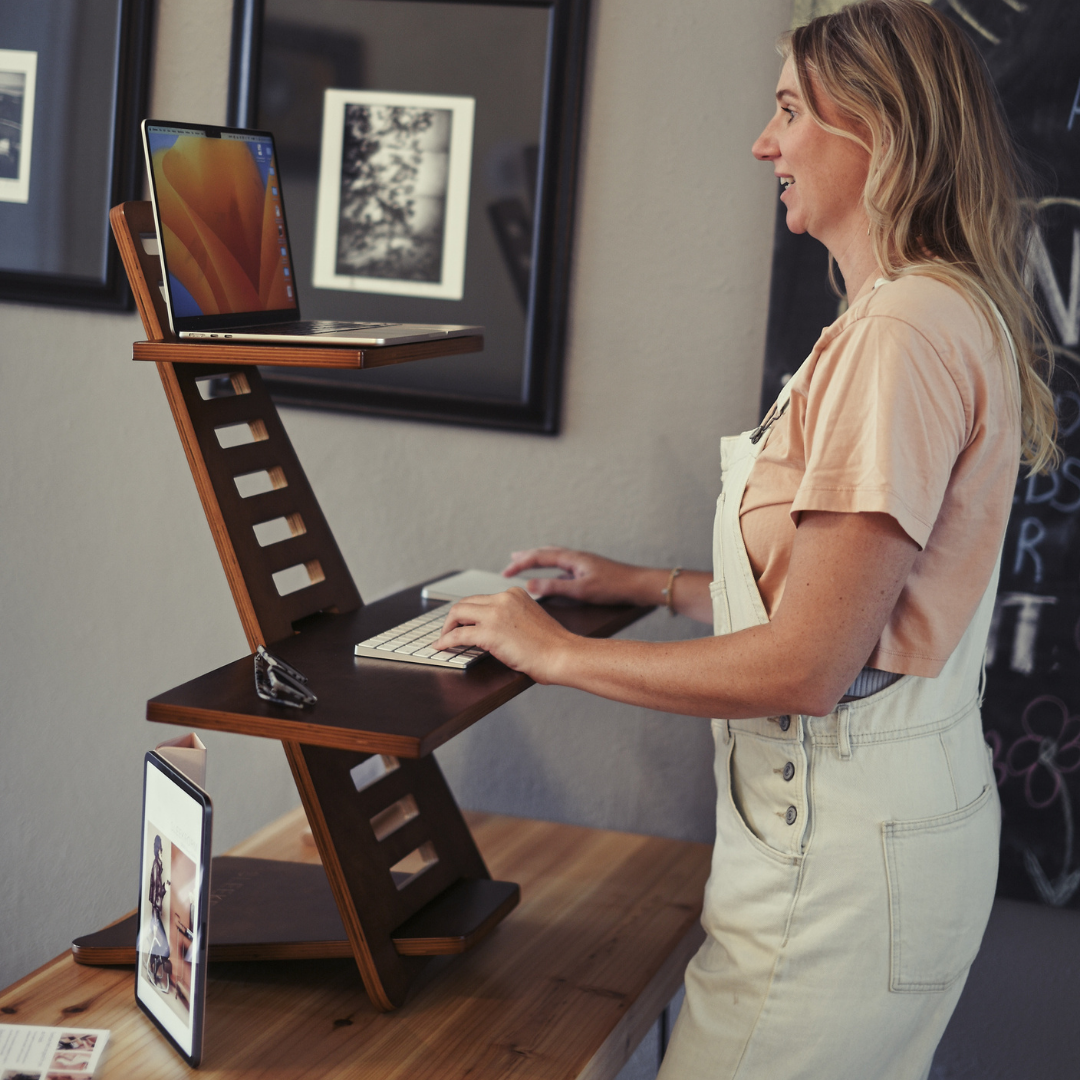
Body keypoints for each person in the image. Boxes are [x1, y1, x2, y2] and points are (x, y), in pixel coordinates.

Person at [435, 1, 1058, 1077]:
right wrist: (652, 583)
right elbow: (852, 604)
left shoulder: (903, 334)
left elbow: (810, 664)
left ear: (878, 126)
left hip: (839, 879)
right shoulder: (926, 314)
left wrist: (557, 652)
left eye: (786, 112)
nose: (764, 144)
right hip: (889, 841)